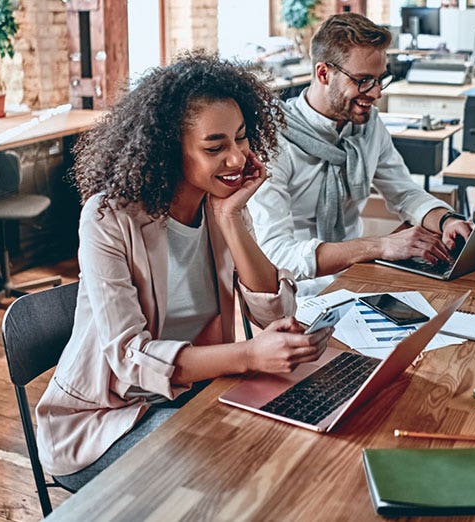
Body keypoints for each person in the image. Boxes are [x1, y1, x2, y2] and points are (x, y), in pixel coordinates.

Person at [35, 51, 332, 488]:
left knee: (289, 446)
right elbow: (129, 359)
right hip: (105, 419)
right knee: (230, 472)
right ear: (170, 149)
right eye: (215, 147)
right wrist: (249, 355)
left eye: (241, 138)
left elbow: (274, 311)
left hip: (188, 396)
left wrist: (231, 218)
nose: (236, 159)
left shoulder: (220, 205)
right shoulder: (109, 218)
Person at [248, 13, 472, 296]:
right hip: (298, 290)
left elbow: (405, 193)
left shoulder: (368, 125)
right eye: (364, 80)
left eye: (380, 79)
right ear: (323, 74)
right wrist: (380, 245)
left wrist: (446, 220)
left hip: (360, 274)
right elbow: (275, 254)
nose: (376, 93)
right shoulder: (272, 140)